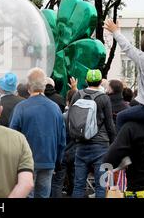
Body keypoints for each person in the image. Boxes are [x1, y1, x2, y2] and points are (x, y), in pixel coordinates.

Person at [10, 68, 66, 198]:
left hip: (25, 161)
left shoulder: (21, 107)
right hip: (48, 159)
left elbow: (13, 136)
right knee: (43, 195)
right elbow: (61, 138)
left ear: (29, 86)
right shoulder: (55, 108)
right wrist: (57, 161)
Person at [69, 69, 116, 198]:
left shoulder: (77, 95)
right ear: (101, 82)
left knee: (78, 185)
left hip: (81, 145)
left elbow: (70, 119)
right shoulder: (104, 98)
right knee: (101, 185)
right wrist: (114, 144)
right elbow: (109, 124)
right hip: (101, 146)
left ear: (86, 81)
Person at [51, 87, 78, 198]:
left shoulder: (63, 117)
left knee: (57, 182)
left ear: (68, 100)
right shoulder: (81, 117)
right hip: (76, 152)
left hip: (63, 152)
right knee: (75, 181)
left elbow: (58, 136)